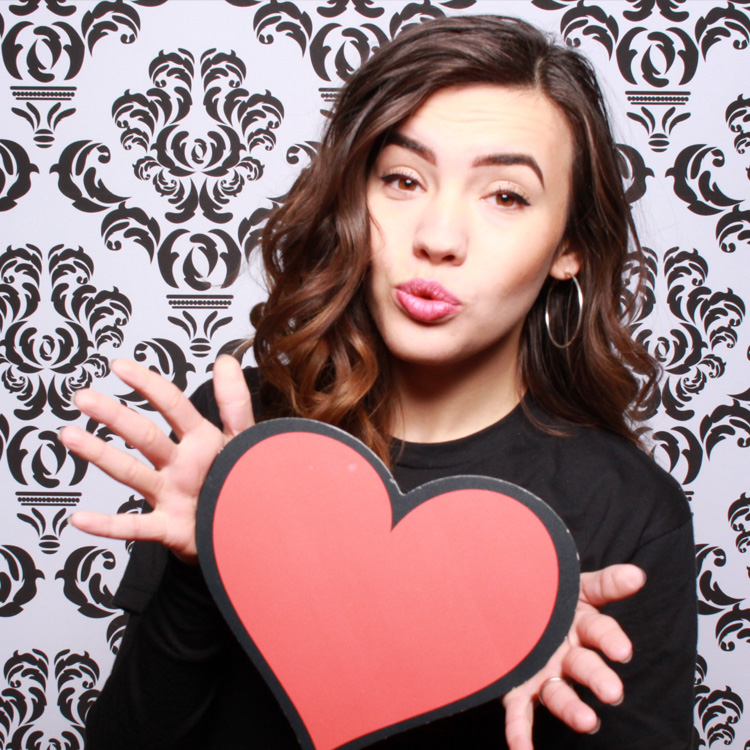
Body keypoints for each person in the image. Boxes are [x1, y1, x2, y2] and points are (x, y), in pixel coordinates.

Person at [60, 14, 696, 750]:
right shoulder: (240, 439)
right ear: (355, 200)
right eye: (402, 179)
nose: (439, 236)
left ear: (571, 249)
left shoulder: (628, 511)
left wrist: (530, 679)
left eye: (507, 197)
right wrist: (201, 572)